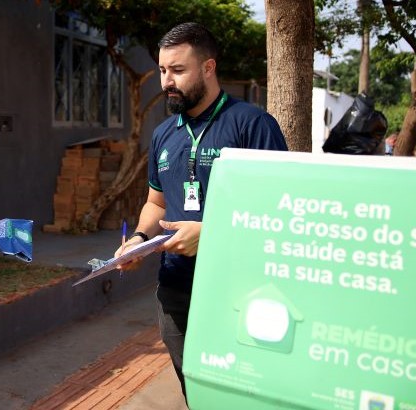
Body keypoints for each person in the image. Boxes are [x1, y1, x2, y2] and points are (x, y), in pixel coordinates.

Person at [114, 22, 288, 398]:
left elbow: (279, 212)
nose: (166, 81)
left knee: (241, 395)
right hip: (175, 291)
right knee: (196, 391)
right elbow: (155, 202)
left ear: (208, 68)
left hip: (238, 293)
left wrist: (209, 233)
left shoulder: (252, 125)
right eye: (162, 70)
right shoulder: (164, 133)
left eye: (178, 70)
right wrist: (140, 239)